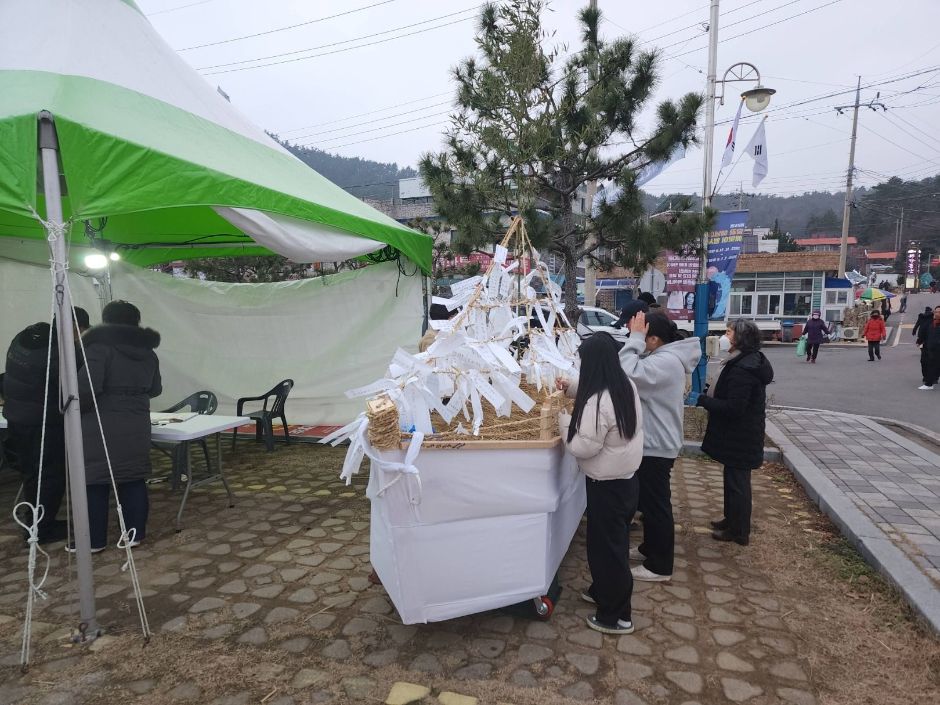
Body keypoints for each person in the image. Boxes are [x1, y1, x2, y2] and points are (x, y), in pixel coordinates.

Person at [557, 332, 644, 635]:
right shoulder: (624, 385)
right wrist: (570, 389)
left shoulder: (598, 401)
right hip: (625, 483)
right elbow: (595, 395)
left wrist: (563, 421)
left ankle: (616, 615)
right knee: (610, 546)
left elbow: (582, 447)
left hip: (607, 486)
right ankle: (602, 592)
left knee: (609, 552)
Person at [617, 311, 701, 582]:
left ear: (654, 338)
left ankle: (660, 566)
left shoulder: (666, 362)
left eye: (643, 334)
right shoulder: (663, 358)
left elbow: (626, 371)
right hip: (654, 442)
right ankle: (649, 548)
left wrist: (634, 340)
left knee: (656, 507)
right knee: (651, 504)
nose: (637, 338)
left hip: (656, 445)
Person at [73, 301, 161, 552]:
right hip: (137, 420)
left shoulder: (99, 348)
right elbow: (156, 388)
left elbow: (85, 388)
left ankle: (94, 541)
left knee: (95, 481)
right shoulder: (149, 352)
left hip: (100, 422)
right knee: (133, 478)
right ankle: (134, 535)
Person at [3, 308, 90, 544]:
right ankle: (41, 529)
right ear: (74, 326)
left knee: (32, 472)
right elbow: (74, 387)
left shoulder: (27, 336)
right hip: (42, 423)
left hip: (16, 417)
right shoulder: (62, 350)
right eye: (81, 332)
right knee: (50, 474)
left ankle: (34, 519)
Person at [697, 320, 773, 546]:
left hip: (741, 435)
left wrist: (704, 401)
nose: (724, 336)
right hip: (738, 434)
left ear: (740, 338)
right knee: (732, 480)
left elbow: (734, 407)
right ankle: (731, 520)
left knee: (738, 484)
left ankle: (739, 531)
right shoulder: (742, 360)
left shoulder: (744, 368)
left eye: (728, 332)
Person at [917, 306, 940, 390]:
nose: (937, 313)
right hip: (929, 348)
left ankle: (929, 383)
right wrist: (919, 341)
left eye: (939, 312)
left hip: (937, 349)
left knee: (933, 366)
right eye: (936, 311)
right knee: (927, 364)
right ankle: (929, 382)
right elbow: (923, 332)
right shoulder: (930, 323)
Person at [914, 307, 934, 387]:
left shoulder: (923, 317)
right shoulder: (930, 320)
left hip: (928, 344)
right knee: (926, 361)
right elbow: (923, 330)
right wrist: (919, 340)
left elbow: (918, 325)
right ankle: (929, 377)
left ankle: (929, 377)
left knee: (927, 361)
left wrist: (914, 331)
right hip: (927, 343)